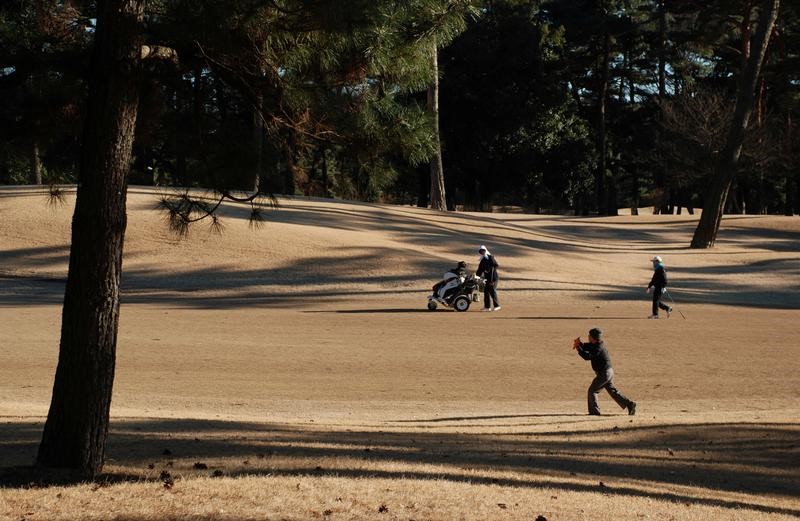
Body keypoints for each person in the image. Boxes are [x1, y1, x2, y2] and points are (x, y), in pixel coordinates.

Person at [573, 328, 636, 416]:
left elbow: (587, 357)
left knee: (592, 390)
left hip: (604, 373)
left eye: (589, 335)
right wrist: (580, 344)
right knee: (612, 391)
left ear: (593, 337)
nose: (588, 336)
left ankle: (594, 412)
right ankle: (630, 404)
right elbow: (586, 346)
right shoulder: (596, 344)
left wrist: (578, 349)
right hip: (608, 372)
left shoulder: (598, 348)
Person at [475, 245, 500, 311]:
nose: (482, 252)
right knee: (486, 292)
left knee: (492, 291)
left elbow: (496, 265)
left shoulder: (491, 257)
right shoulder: (482, 260)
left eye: (483, 251)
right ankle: (487, 307)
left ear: (485, 250)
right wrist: (476, 277)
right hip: (487, 279)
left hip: (494, 278)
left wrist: (490, 270)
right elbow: (479, 270)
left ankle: (497, 306)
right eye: (480, 251)